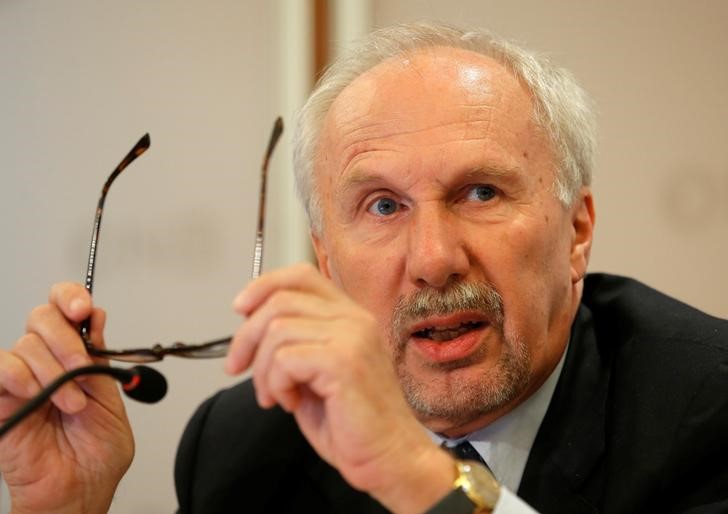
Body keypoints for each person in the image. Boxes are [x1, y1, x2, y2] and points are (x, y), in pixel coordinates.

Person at [1, 21, 727, 514]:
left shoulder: (707, 409)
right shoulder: (242, 451)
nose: (434, 260)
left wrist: (421, 479)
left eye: (481, 192)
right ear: (326, 258)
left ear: (576, 232)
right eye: (382, 207)